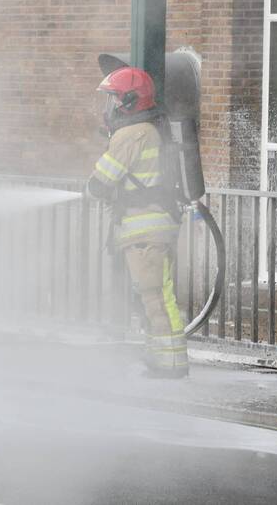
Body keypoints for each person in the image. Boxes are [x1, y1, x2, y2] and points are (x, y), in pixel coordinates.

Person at [87, 66, 188, 378]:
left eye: (115, 99)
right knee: (154, 296)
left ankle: (171, 364)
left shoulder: (132, 134)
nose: (111, 106)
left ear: (131, 100)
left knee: (157, 297)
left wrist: (92, 185)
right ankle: (161, 357)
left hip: (145, 230)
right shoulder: (149, 129)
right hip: (153, 228)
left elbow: (100, 183)